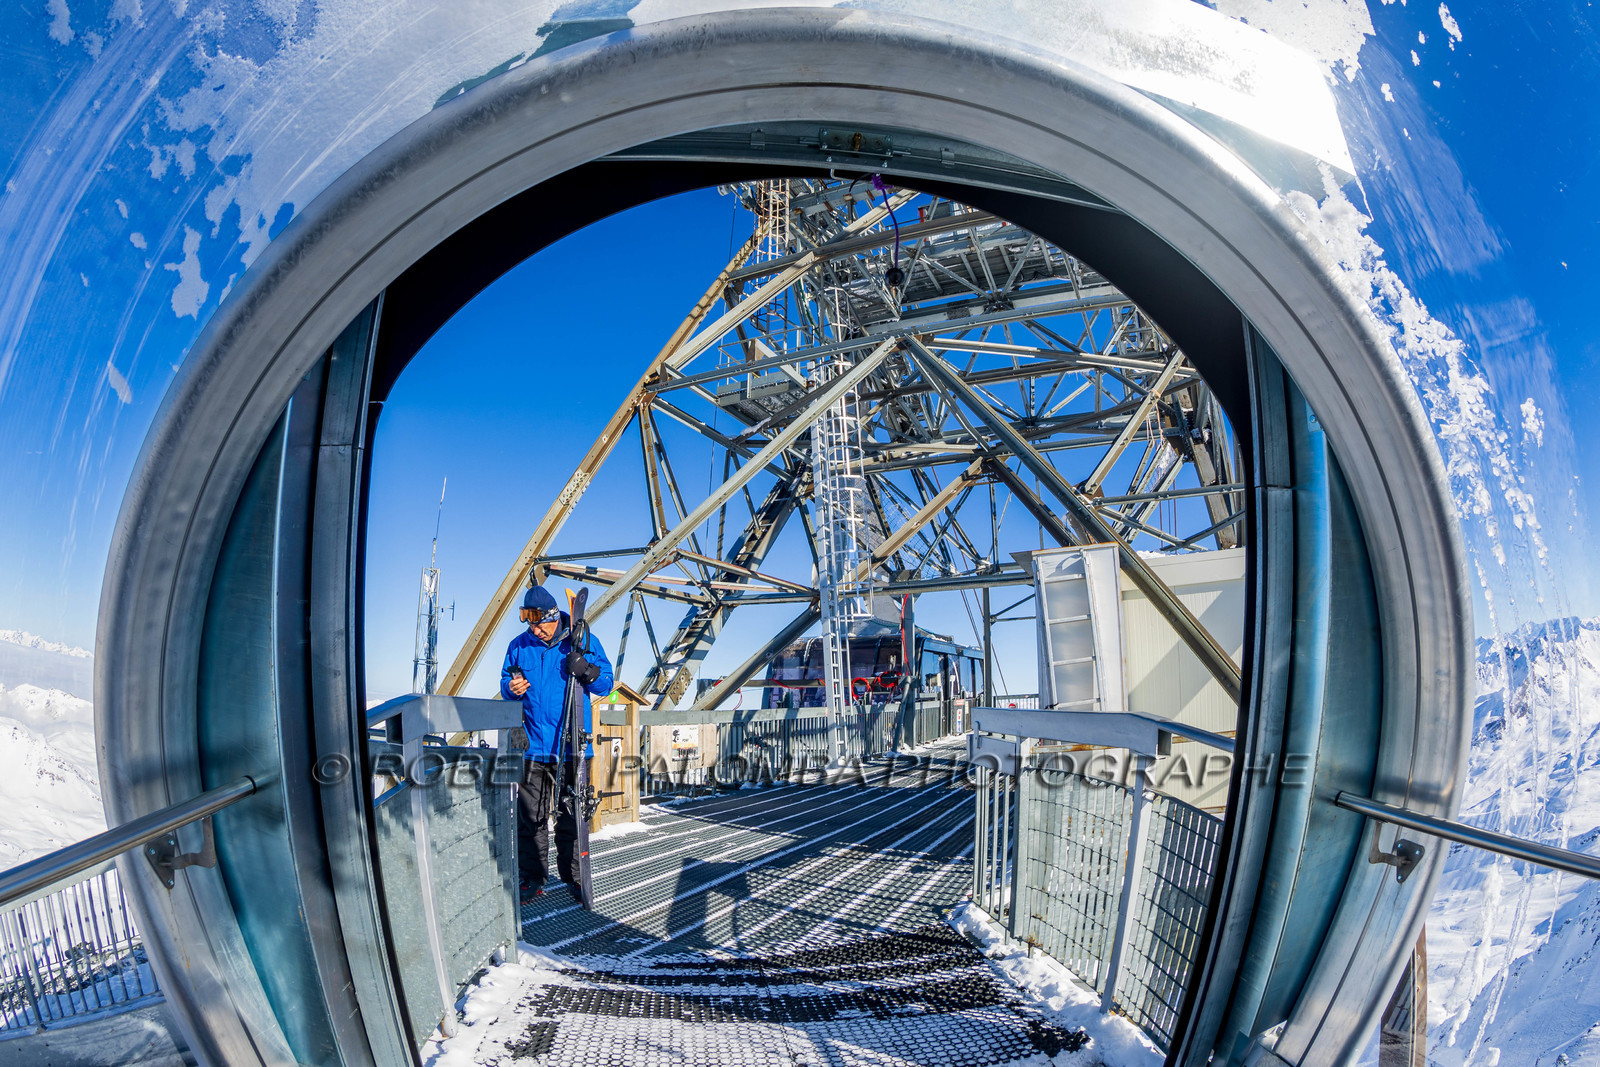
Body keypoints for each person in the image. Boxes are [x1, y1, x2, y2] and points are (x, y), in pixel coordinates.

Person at [501, 585, 613, 903]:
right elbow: (505, 680)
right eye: (529, 623)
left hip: (573, 747)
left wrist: (586, 671)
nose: (534, 630)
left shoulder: (582, 641)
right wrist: (511, 687)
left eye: (539, 623)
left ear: (553, 617)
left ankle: (575, 877)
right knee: (530, 817)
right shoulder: (518, 646)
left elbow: (606, 681)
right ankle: (532, 877)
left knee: (572, 816)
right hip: (533, 746)